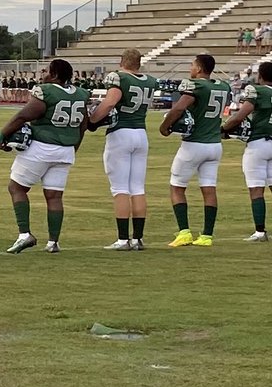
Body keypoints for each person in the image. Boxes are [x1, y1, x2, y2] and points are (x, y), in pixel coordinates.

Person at [0, 58, 90, 254]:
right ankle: (53, 242)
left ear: (55, 75)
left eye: (46, 70)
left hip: (41, 148)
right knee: (54, 196)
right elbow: (83, 125)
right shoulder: (81, 94)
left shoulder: (46, 91)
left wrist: (2, 135)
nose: (43, 74)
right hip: (65, 150)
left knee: (16, 188)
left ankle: (24, 235)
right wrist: (74, 148)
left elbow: (24, 115)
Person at [89, 48, 160, 250]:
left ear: (122, 61)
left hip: (121, 133)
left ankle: (122, 240)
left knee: (120, 188)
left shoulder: (119, 78)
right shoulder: (149, 80)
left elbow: (110, 102)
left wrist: (93, 121)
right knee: (137, 188)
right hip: (141, 134)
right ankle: (137, 239)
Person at [159, 53, 231, 247]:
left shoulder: (196, 85)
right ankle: (207, 235)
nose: (190, 68)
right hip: (215, 145)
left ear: (199, 68)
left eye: (192, 65)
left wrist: (165, 126)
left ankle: (184, 232)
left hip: (194, 144)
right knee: (209, 188)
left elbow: (178, 108)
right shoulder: (223, 86)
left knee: (177, 186)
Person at [222, 60, 272, 243]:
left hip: (259, 143)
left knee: (256, 188)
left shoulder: (257, 90)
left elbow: (241, 115)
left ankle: (260, 231)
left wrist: (224, 129)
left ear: (260, 76)